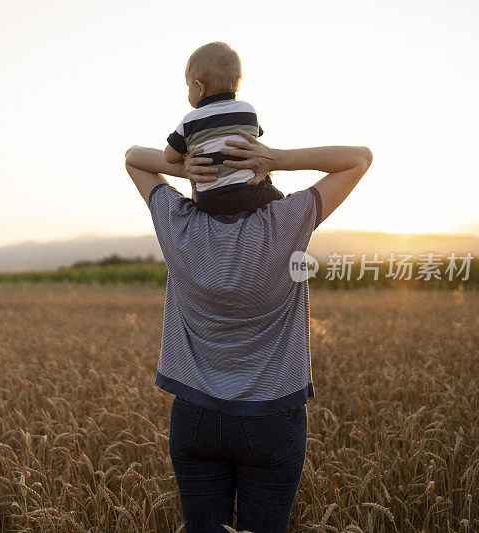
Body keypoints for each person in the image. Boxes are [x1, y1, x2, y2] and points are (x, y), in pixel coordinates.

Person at [124, 132, 372, 532]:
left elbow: (134, 158)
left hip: (196, 413)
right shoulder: (286, 221)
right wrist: (275, 158)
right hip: (273, 415)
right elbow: (359, 158)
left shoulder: (178, 222)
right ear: (258, 175)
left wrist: (187, 167)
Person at [164, 42, 283, 215]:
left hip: (207, 201)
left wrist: (188, 152)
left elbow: (169, 156)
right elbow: (255, 138)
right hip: (249, 194)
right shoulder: (247, 111)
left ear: (199, 87)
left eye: (188, 86)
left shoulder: (189, 121)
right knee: (278, 197)